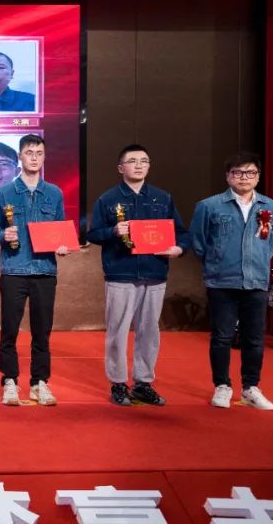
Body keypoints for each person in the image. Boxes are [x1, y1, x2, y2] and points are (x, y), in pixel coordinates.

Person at [86, 144, 189, 407]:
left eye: (144, 160)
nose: (139, 165)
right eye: (132, 161)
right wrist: (113, 231)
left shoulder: (162, 198)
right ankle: (118, 383)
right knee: (117, 330)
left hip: (155, 273)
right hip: (120, 273)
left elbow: (181, 232)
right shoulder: (108, 199)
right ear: (121, 168)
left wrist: (178, 248)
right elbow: (93, 233)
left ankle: (143, 383)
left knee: (149, 331)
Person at [0, 134, 72, 406]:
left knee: (42, 331)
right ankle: (9, 380)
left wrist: (62, 246)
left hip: (45, 271)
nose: (34, 157)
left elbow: (60, 229)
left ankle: (39, 382)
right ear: (19, 157)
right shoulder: (4, 193)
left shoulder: (55, 193)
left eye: (39, 153)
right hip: (14, 269)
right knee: (9, 330)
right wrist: (3, 234)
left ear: (44, 157)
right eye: (29, 152)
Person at [191, 152, 273, 411]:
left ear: (258, 176)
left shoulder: (271, 207)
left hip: (256, 281)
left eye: (250, 172)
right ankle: (222, 386)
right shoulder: (209, 206)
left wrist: (258, 263)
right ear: (228, 176)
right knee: (222, 337)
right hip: (221, 281)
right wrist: (216, 263)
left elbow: (271, 242)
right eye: (238, 172)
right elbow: (198, 242)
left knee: (254, 338)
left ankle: (251, 387)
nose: (244, 177)